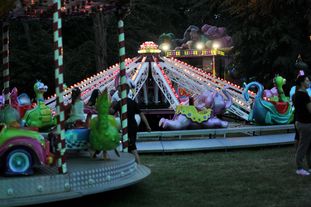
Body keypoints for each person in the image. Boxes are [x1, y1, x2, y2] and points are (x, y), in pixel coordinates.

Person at [110, 84, 151, 164]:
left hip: (128, 127)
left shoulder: (120, 103)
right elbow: (141, 114)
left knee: (132, 146)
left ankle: (139, 164)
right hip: (133, 125)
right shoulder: (132, 102)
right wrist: (147, 126)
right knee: (129, 145)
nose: (117, 93)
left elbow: (111, 112)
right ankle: (130, 163)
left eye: (118, 91)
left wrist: (110, 105)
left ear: (123, 92)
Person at [292, 75, 311, 176]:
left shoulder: (296, 95)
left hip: (300, 122)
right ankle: (299, 168)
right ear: (302, 83)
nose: (309, 82)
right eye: (307, 80)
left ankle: (309, 166)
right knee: (304, 146)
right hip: (306, 124)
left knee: (308, 146)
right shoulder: (304, 95)